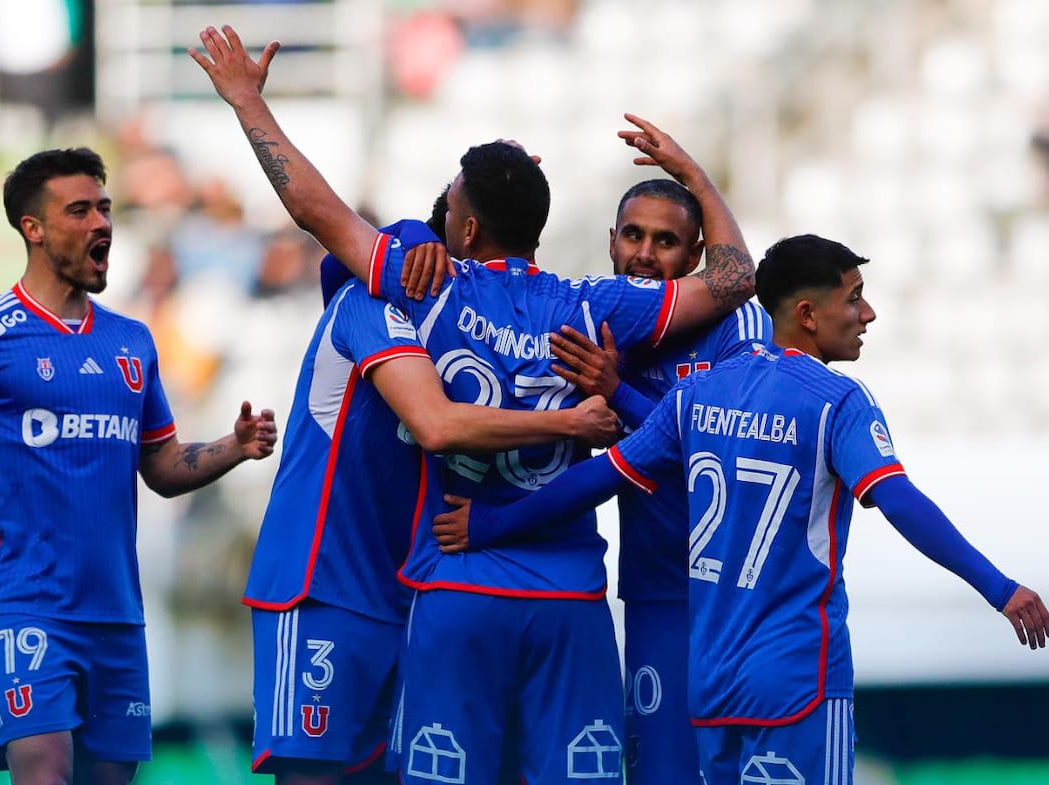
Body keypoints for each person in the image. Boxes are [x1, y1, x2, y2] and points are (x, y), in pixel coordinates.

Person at [190, 25, 756, 783]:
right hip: (568, 598)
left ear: (462, 228)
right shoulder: (593, 306)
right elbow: (732, 279)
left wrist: (248, 104)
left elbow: (317, 214)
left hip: (451, 584)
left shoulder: (419, 286)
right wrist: (690, 171)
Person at [433, 233, 1049, 785]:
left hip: (712, 678)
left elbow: (598, 477)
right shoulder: (839, 402)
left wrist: (491, 522)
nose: (868, 313)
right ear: (807, 314)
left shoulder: (698, 393)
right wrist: (1000, 588)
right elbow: (900, 502)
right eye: (854, 297)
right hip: (798, 674)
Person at [0, 147, 280, 785]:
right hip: (24, 607)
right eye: (79, 210)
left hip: (116, 616)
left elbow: (162, 466)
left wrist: (231, 446)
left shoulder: (131, 342)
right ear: (34, 228)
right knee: (45, 775)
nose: (101, 223)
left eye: (104, 208)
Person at [243, 208, 620, 784]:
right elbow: (437, 425)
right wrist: (410, 230)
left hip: (411, 590)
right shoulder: (365, 304)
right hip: (324, 584)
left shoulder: (453, 327)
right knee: (312, 774)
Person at [546, 178, 771, 785]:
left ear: (695, 256)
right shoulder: (593, 326)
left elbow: (723, 450)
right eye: (633, 235)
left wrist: (617, 392)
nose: (645, 252)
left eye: (666, 240)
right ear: (611, 244)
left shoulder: (737, 321)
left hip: (739, 598)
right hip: (654, 595)